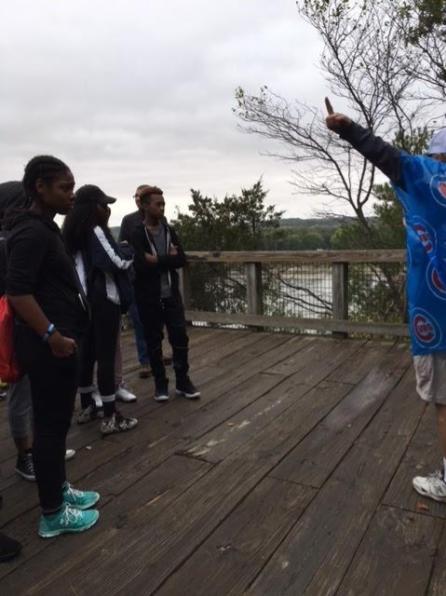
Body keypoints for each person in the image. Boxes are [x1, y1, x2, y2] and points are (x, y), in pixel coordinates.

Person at [325, 97, 446, 503]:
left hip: (436, 311)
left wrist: (346, 127)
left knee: (444, 400)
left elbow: (384, 154)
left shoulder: (424, 175)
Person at [6, 155, 100, 538]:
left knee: (57, 426)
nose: (71, 195)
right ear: (39, 188)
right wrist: (52, 335)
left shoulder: (46, 228)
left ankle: (58, 490)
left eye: (73, 186)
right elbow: (17, 293)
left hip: (60, 343)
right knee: (49, 428)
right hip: (49, 346)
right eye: (64, 187)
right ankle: (52, 513)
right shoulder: (31, 232)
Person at [0, 181, 75, 483]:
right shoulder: (13, 240)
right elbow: (17, 291)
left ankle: (41, 449)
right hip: (17, 327)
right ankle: (25, 455)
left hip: (29, 325)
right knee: (21, 391)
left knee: (33, 391)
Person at [62, 184, 138, 435]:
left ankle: (87, 406)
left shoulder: (72, 232)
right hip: (103, 300)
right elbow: (115, 261)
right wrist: (128, 249)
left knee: (87, 354)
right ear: (93, 208)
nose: (107, 210)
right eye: (104, 205)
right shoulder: (94, 230)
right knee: (105, 357)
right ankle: (110, 416)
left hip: (82, 301)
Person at [131, 185, 200, 401]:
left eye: (163, 204)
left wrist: (158, 260)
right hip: (148, 296)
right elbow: (140, 264)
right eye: (157, 204)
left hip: (170, 294)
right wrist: (166, 259)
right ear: (144, 206)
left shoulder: (169, 231)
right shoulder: (136, 233)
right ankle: (161, 385)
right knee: (153, 340)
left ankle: (183, 381)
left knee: (180, 337)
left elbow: (181, 259)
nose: (162, 208)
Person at [119, 184, 150, 379]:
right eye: (136, 196)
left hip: (153, 278)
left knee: (155, 320)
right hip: (134, 277)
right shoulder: (128, 220)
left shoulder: (158, 217)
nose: (137, 199)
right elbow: (122, 245)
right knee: (139, 320)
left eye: (141, 196)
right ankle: (145, 361)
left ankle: (156, 354)